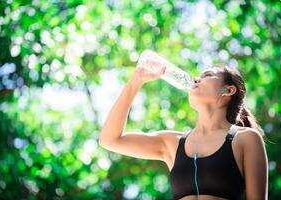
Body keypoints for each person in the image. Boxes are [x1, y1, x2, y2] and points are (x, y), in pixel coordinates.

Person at [99, 63, 268, 200]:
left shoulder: (246, 139)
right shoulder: (172, 143)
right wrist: (135, 81)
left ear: (228, 90)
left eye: (206, 76)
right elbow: (110, 140)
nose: (195, 79)